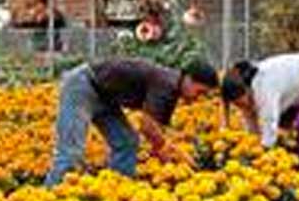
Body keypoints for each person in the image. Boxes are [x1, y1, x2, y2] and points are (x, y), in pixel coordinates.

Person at [45, 57, 219, 186]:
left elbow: (158, 133)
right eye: (200, 91)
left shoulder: (172, 90)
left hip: (105, 96)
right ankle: (48, 199)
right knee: (71, 152)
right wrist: (171, 155)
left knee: (127, 142)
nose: (199, 98)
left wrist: (175, 162)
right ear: (189, 79)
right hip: (83, 85)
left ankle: (117, 191)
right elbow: (148, 127)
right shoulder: (168, 84)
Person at [221, 53, 299, 157]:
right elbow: (252, 127)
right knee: (287, 123)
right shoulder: (247, 88)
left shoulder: (265, 87)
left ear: (246, 89)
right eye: (235, 104)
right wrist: (251, 146)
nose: (240, 106)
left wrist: (263, 156)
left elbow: (269, 125)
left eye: (239, 102)